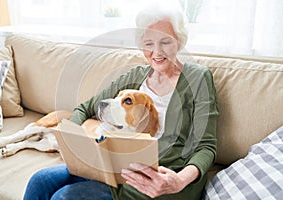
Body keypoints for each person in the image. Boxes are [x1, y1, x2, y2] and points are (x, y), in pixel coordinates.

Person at [23, 3, 219, 200]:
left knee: (64, 197)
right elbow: (85, 108)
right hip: (113, 169)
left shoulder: (198, 78)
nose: (157, 52)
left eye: (165, 42)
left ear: (179, 41)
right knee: (40, 180)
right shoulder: (134, 77)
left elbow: (206, 145)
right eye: (149, 43)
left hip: (161, 181)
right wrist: (71, 140)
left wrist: (180, 180)